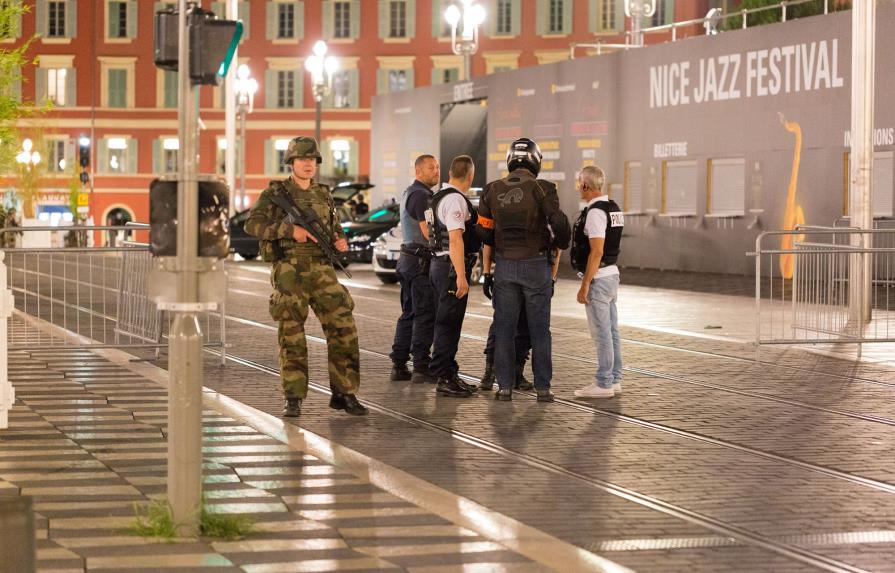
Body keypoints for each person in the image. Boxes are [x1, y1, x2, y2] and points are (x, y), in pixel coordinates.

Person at [245, 136, 367, 417]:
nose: (308, 164)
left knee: (344, 327)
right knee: (292, 336)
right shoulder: (276, 194)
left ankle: (345, 393)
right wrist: (290, 231)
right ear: (291, 162)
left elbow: (334, 227)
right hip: (289, 271)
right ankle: (294, 397)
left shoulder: (324, 194)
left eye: (312, 159)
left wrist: (340, 240)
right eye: (302, 159)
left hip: (323, 270)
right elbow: (253, 225)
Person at [476, 137, 570, 402]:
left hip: (505, 266)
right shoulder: (544, 188)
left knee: (504, 328)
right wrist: (558, 244)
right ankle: (543, 388)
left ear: (510, 160)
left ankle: (504, 387)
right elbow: (560, 225)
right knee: (540, 330)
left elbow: (483, 231)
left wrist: (493, 261)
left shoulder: (492, 189)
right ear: (536, 160)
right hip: (536, 265)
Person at [427, 155, 481, 397]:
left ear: (450, 173)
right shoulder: (456, 201)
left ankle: (448, 371)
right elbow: (456, 239)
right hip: (450, 267)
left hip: (438, 265)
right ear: (470, 176)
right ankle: (445, 377)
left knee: (444, 321)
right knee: (449, 323)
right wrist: (461, 275)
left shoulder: (437, 196)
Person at [571, 165, 624, 398]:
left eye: (578, 182)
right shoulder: (614, 208)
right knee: (612, 331)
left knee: (601, 333)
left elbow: (596, 251)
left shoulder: (594, 213)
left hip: (599, 279)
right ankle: (614, 379)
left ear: (585, 185)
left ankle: (603, 384)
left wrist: (585, 285)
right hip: (612, 275)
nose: (576, 187)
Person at [389, 155, 440, 384]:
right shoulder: (422, 195)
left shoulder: (409, 192)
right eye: (431, 168)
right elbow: (428, 232)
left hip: (407, 260)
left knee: (409, 312)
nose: (436, 171)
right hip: (419, 263)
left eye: (437, 167)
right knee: (424, 314)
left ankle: (399, 364)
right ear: (419, 170)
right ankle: (421, 365)